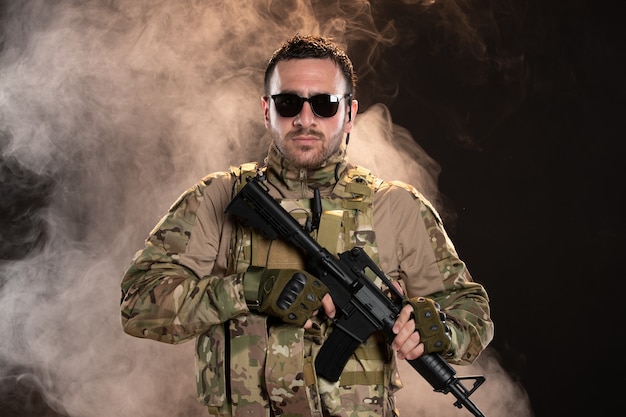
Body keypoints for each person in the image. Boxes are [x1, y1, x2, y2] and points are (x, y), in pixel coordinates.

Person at [120, 34, 494, 417]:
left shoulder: (395, 207)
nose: (305, 118)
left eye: (324, 104)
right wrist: (248, 289)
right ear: (267, 110)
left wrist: (437, 330)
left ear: (349, 114)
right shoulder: (217, 198)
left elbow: (472, 314)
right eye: (288, 103)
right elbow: (138, 303)